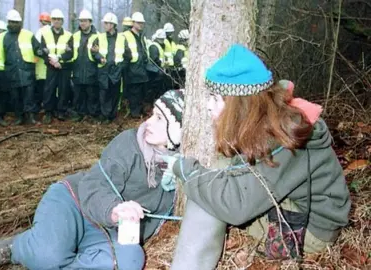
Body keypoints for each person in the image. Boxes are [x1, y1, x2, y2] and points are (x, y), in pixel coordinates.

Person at [159, 44, 351, 269]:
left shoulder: (283, 139)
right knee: (212, 177)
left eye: (215, 98)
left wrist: (186, 171)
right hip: (301, 208)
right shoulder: (270, 118)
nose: (207, 106)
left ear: (238, 105)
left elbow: (234, 206)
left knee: (206, 194)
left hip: (311, 231)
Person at [0, 89, 184, 270]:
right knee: (47, 256)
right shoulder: (130, 143)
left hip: (108, 232)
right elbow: (94, 184)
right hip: (75, 202)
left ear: (179, 131)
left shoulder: (181, 171)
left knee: (130, 261)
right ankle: (16, 247)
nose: (148, 123)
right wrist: (114, 209)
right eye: (152, 114)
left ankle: (60, 248)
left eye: (159, 119)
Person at [0, 9, 44, 125]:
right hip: (11, 71)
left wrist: (42, 51)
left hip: (27, 70)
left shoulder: (28, 34)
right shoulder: (2, 37)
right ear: (8, 22)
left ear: (20, 23)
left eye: (16, 22)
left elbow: (37, 48)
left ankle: (30, 117)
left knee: (29, 95)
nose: (14, 24)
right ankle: (19, 117)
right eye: (12, 22)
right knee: (15, 96)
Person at [39, 8, 74, 123]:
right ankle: (48, 112)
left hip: (63, 67)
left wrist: (59, 60)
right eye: (54, 19)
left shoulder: (68, 35)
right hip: (50, 67)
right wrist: (52, 62)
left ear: (62, 21)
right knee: (49, 89)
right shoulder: (45, 34)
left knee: (64, 89)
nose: (57, 21)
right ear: (51, 20)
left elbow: (70, 52)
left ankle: (61, 111)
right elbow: (43, 51)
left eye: (59, 19)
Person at [94, 12, 124, 123]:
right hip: (104, 70)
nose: (104, 25)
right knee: (104, 93)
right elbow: (94, 51)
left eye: (106, 23)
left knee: (114, 93)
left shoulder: (121, 38)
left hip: (116, 70)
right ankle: (105, 115)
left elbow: (127, 54)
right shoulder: (99, 37)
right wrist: (99, 57)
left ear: (112, 24)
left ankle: (112, 115)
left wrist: (120, 66)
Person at [70, 9, 99, 122]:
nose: (82, 23)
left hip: (91, 70)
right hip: (78, 70)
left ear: (90, 22)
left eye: (85, 21)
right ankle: (79, 114)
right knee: (78, 95)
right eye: (81, 21)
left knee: (92, 95)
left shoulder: (98, 36)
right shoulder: (75, 36)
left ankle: (92, 115)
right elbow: (69, 52)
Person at [122, 12, 149, 118]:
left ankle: (139, 111)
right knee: (134, 93)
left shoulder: (141, 37)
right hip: (132, 69)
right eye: (138, 23)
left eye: (142, 23)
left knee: (141, 92)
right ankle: (134, 113)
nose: (141, 25)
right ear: (133, 23)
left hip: (141, 69)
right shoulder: (126, 36)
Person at [34, 12, 52, 115]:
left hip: (41, 65)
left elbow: (36, 49)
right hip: (51, 65)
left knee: (41, 87)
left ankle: (42, 107)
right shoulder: (52, 31)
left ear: (41, 22)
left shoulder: (40, 32)